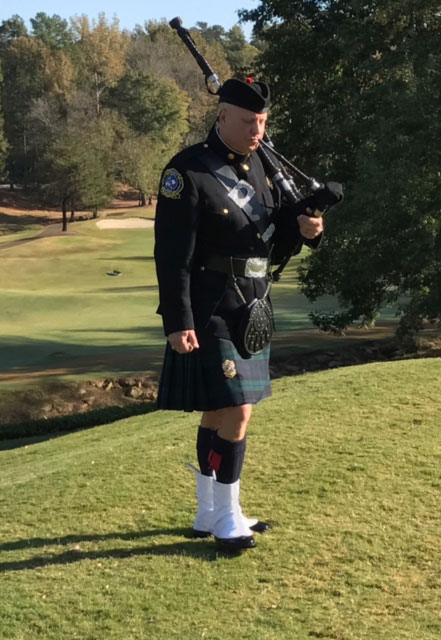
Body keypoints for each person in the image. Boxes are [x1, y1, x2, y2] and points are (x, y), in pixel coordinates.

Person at [154, 78, 324, 551]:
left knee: (217, 410)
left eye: (263, 122)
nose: (258, 130)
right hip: (209, 307)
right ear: (222, 115)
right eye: (249, 121)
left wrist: (307, 229)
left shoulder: (260, 170)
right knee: (239, 410)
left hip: (252, 304)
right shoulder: (187, 171)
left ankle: (209, 510)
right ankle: (228, 517)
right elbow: (172, 255)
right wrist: (177, 319)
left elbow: (270, 241)